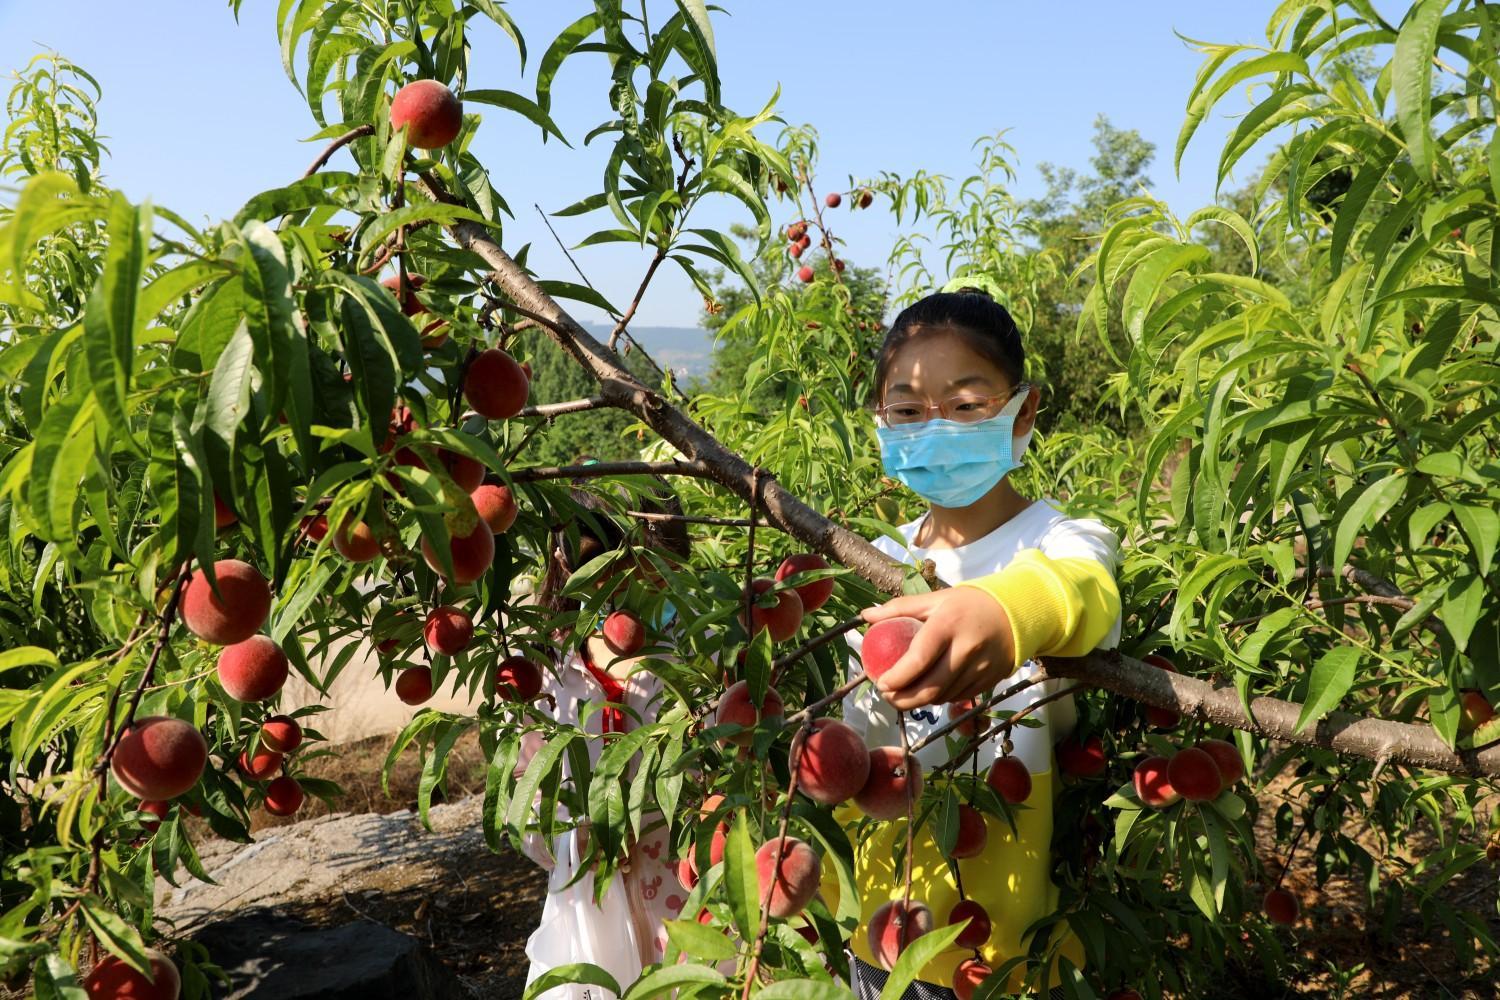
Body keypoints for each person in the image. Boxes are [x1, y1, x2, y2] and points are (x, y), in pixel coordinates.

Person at [841, 285, 1123, 998]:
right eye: (907, 411)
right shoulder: (872, 562)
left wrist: (1004, 613)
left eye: (966, 407)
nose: (934, 429)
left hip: (1015, 950)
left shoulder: (1062, 543)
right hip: (883, 935)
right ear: (881, 424)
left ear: (1022, 410)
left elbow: (1082, 595)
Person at [519, 480, 695, 997]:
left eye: (654, 568)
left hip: (687, 895)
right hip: (589, 911)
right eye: (613, 568)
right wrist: (571, 839)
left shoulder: (692, 650)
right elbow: (527, 798)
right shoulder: (546, 673)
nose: (633, 588)